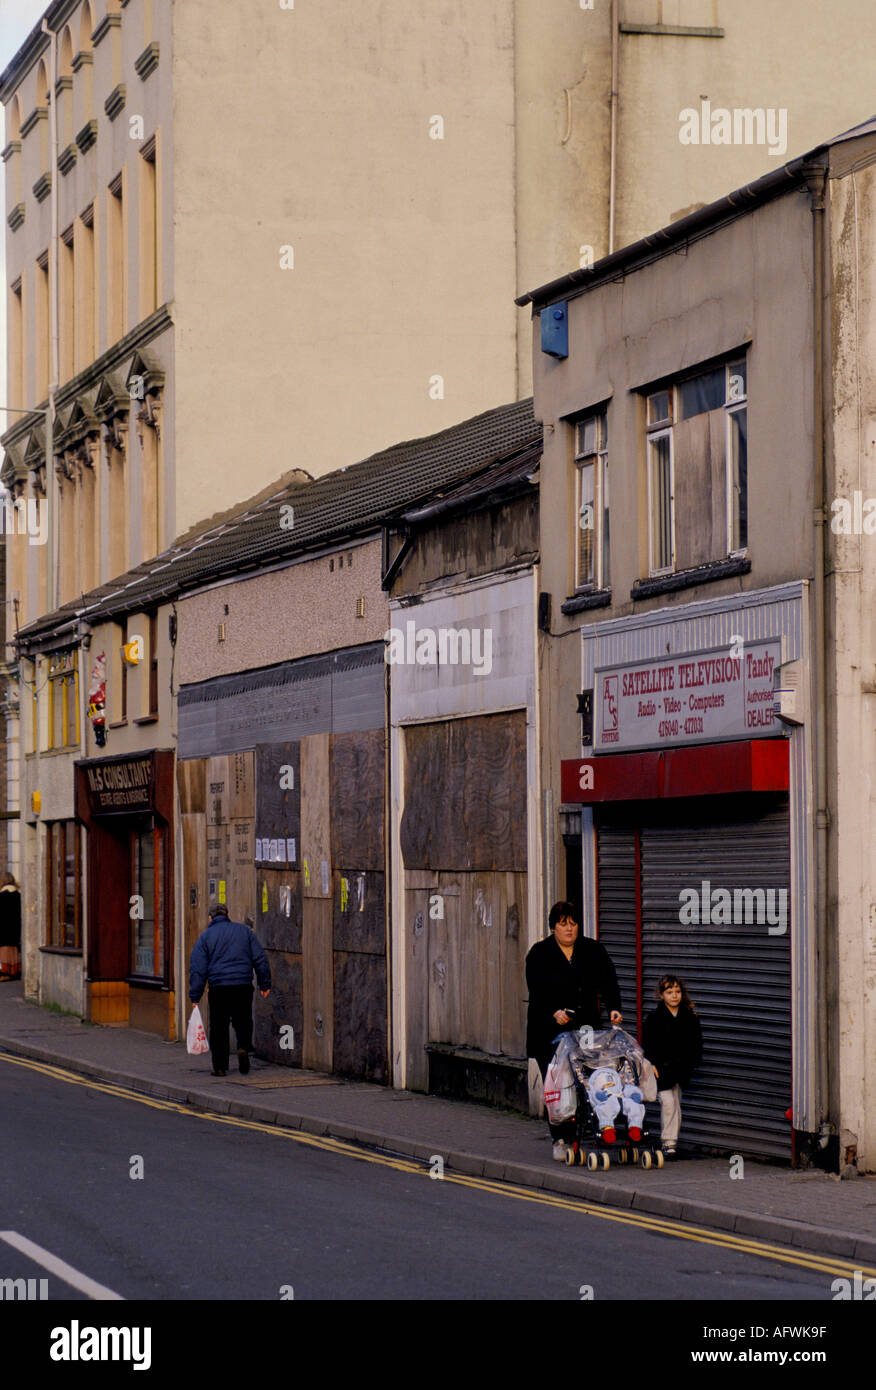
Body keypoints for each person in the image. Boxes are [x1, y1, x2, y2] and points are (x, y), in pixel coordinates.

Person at [525, 900, 623, 1161]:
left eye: (573, 923)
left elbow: (609, 979)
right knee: (559, 1085)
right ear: (553, 928)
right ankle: (560, 1138)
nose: (569, 929)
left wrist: (614, 1007)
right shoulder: (539, 953)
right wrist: (553, 1011)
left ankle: (584, 1133)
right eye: (563, 924)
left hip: (585, 1028)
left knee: (589, 1080)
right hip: (548, 1030)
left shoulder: (592, 950)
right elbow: (536, 988)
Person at [189, 903, 272, 1077]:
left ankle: (219, 1067)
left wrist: (195, 995)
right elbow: (260, 959)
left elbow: (198, 969)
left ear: (211, 917)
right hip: (242, 985)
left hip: (219, 988)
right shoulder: (244, 932)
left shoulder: (205, 937)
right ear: (227, 915)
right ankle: (242, 1047)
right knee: (243, 1020)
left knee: (219, 1026)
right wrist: (265, 984)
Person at [642, 974, 702, 1160]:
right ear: (661, 995)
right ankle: (668, 1142)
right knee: (668, 1102)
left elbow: (696, 1043)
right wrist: (650, 1063)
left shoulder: (690, 1017)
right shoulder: (654, 1018)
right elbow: (647, 1043)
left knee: (675, 1104)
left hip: (680, 1069)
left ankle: (671, 1143)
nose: (674, 996)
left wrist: (691, 1065)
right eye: (669, 992)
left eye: (677, 991)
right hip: (661, 1069)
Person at [0, 872, 22, 981]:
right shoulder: (18, 894)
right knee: (13, 949)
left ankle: (5, 972)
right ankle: (14, 971)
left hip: (3, 927)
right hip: (16, 927)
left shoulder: (2, 895)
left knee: (4, 949)